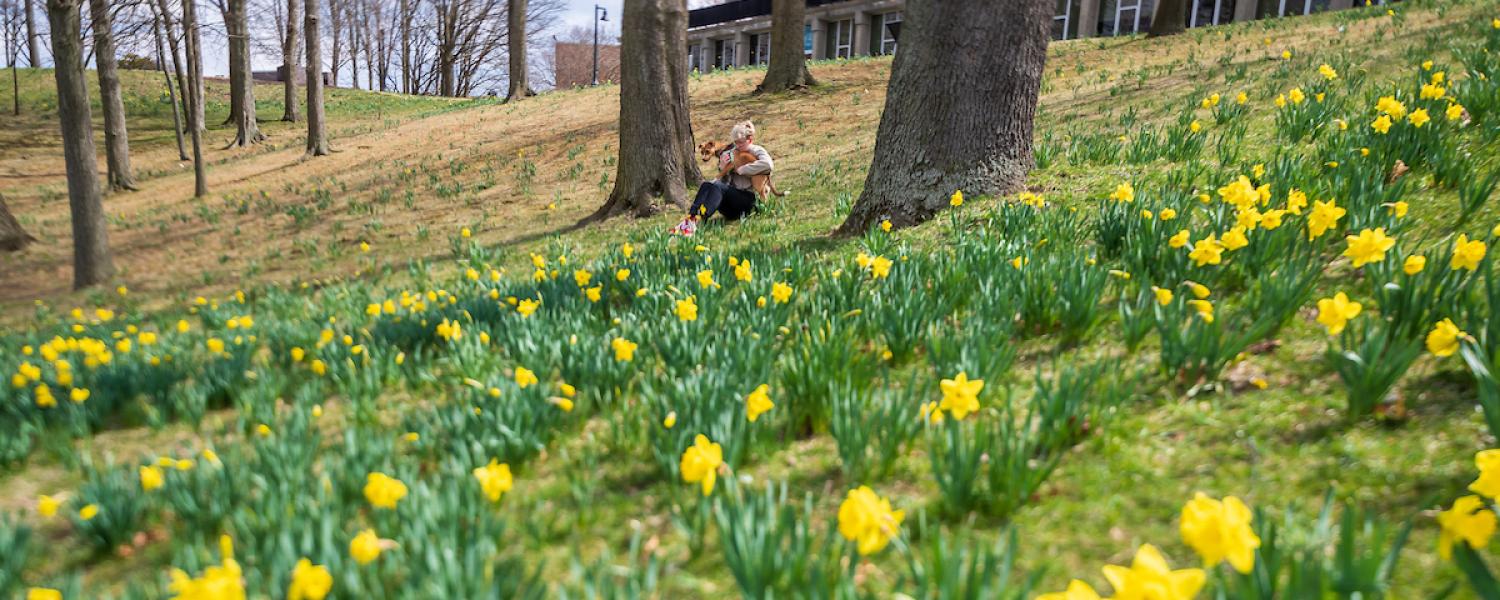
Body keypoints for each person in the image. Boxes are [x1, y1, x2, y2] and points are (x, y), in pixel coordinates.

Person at [672, 121, 773, 236]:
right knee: (707, 184)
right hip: (731, 203)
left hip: (747, 201)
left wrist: (742, 169)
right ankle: (691, 218)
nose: (738, 145)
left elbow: (768, 165)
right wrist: (723, 167)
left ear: (750, 140)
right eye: (735, 142)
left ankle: (699, 221)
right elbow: (724, 179)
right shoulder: (733, 153)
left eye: (740, 142)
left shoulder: (756, 150)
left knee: (718, 187)